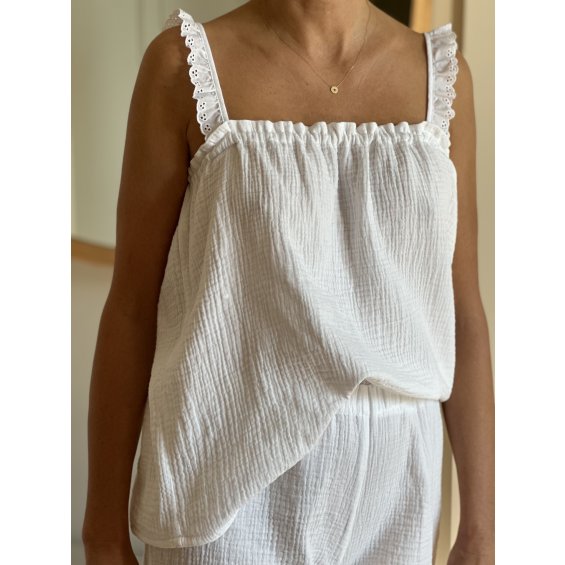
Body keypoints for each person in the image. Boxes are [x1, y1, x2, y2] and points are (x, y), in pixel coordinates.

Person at [81, 1, 495, 564]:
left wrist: (481, 530)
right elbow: (133, 305)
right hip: (225, 490)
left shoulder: (442, 78)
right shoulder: (183, 67)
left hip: (395, 496)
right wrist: (103, 531)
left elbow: (462, 310)